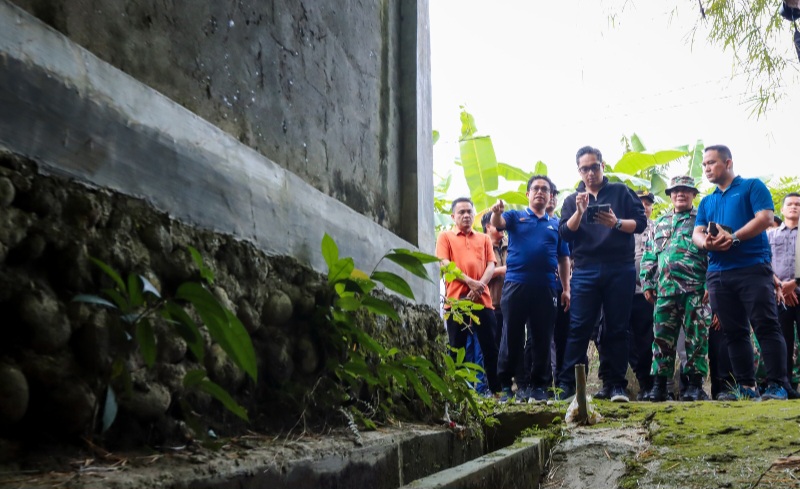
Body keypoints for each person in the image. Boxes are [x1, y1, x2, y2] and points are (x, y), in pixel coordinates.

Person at [692, 145, 790, 401]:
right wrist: (707, 244)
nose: (707, 168)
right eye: (704, 165)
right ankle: (746, 387)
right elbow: (697, 233)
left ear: (728, 162)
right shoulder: (707, 200)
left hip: (752, 268)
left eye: (711, 163)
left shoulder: (752, 187)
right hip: (718, 273)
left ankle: (777, 385)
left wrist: (733, 237)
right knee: (733, 331)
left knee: (766, 325)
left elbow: (766, 218)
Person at [557, 146, 647, 402]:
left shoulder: (620, 191)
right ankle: (568, 384)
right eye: (585, 168)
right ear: (579, 171)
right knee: (579, 327)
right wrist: (579, 211)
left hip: (620, 267)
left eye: (594, 167)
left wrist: (616, 223)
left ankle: (615, 384)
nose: (590, 173)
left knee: (617, 327)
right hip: (585, 269)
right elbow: (565, 233)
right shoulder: (572, 199)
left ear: (602, 166)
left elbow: (640, 223)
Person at [490, 175, 570, 403]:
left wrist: (566, 289)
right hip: (515, 285)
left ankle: (539, 386)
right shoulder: (516, 216)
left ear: (550, 196)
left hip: (546, 288)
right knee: (511, 335)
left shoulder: (556, 225)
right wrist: (496, 211)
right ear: (528, 194)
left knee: (542, 338)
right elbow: (498, 223)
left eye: (545, 189)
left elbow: (564, 258)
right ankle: (507, 385)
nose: (540, 192)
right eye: (536, 188)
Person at [641, 176, 711, 402]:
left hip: (695, 289)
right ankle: (659, 387)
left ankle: (695, 386)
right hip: (665, 290)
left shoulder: (703, 220)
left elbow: (713, 254)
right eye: (676, 191)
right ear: (670, 195)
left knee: (696, 338)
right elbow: (649, 254)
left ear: (693, 194)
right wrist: (647, 282)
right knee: (661, 339)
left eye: (686, 190)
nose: (680, 194)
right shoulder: (660, 222)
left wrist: (711, 284)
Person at [436, 197, 500, 394]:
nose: (466, 215)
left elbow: (491, 264)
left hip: (483, 301)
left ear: (474, 214)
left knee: (490, 348)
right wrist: (470, 282)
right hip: (456, 301)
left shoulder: (484, 239)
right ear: (453, 216)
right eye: (461, 212)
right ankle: (456, 393)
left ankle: (496, 392)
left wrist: (479, 286)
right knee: (457, 348)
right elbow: (444, 262)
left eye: (469, 212)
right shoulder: (445, 236)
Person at [768, 192, 800, 390]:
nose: (794, 207)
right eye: (790, 204)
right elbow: (763, 260)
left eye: (798, 204)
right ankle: (785, 386)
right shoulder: (770, 235)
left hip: (797, 290)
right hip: (778, 295)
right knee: (782, 342)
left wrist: (794, 283)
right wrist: (779, 285)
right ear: (782, 209)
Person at [629, 190, 656, 400]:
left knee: (648, 339)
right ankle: (641, 380)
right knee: (626, 339)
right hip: (623, 292)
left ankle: (651, 384)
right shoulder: (623, 227)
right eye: (639, 202)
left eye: (647, 203)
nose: (643, 206)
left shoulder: (658, 227)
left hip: (649, 294)